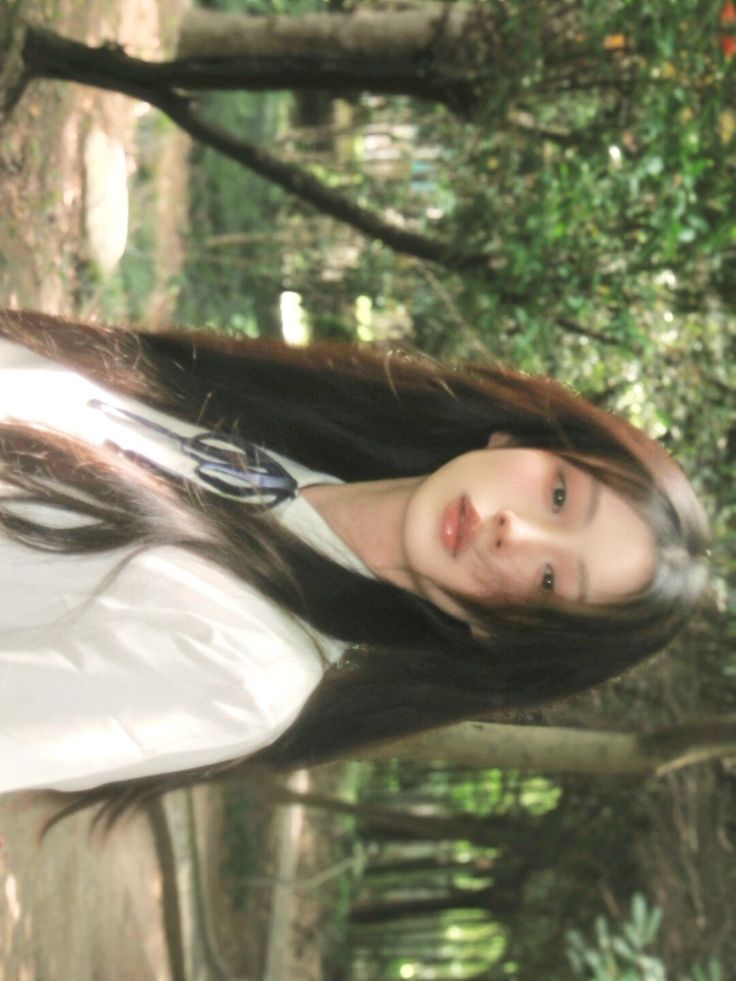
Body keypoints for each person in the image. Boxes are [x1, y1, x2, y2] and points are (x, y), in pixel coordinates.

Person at [0, 308, 709, 825]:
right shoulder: (254, 430)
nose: (512, 531)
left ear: (505, 639)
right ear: (514, 437)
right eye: (559, 494)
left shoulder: (247, 673)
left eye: (551, 580)